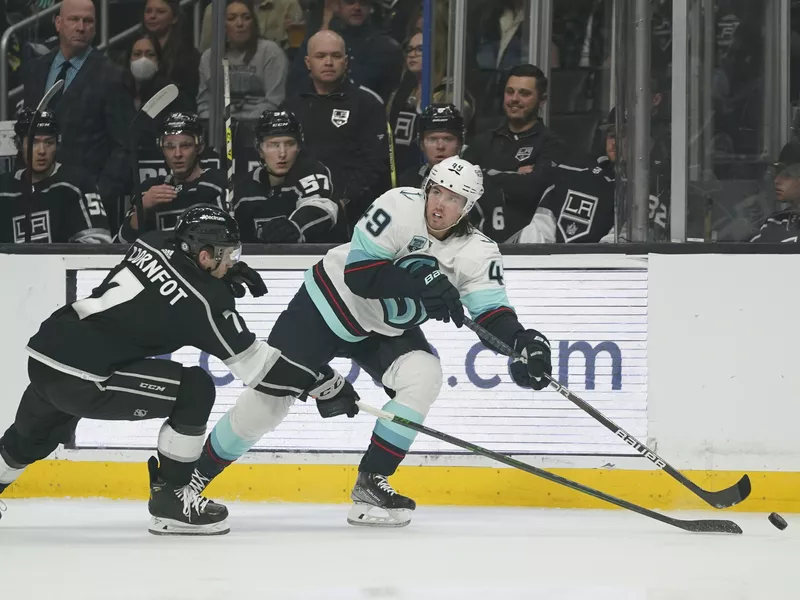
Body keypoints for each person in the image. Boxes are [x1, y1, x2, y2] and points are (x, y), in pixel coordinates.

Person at [190, 156, 553, 528]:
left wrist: (523, 344)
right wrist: (423, 282)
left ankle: (371, 483)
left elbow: (491, 314)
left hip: (382, 330)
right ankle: (190, 480)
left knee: (423, 375)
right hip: (327, 304)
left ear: (469, 207)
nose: (440, 204)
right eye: (437, 191)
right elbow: (359, 275)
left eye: (454, 199)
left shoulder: (478, 251)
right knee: (269, 403)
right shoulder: (397, 205)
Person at [0, 204, 279, 535]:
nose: (232, 259)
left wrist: (218, 271)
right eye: (228, 253)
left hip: (47, 352)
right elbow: (257, 367)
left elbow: (175, 275)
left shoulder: (152, 240)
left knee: (30, 438)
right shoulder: (204, 301)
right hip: (84, 375)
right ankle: (172, 501)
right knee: (195, 389)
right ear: (204, 255)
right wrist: (321, 382)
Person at [22, 0, 136, 210]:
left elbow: (125, 147)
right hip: (38, 197)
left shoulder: (113, 76)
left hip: (88, 199)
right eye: (74, 19)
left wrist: (99, 197)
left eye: (88, 21)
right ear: (58, 23)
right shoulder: (35, 70)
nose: (81, 27)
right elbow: (27, 133)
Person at [281, 29, 389, 226]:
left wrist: (343, 202)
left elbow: (374, 164)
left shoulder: (367, 103)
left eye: (336, 56)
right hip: (298, 208)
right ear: (308, 63)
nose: (328, 62)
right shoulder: (291, 106)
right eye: (321, 56)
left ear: (346, 62)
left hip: (352, 212)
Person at [463, 63, 565, 238]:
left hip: (525, 245)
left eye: (524, 93)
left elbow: (532, 190)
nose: (514, 99)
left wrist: (484, 174)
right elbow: (461, 182)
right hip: (476, 240)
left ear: (542, 100)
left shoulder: (551, 144)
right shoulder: (483, 140)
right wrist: (512, 172)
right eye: (510, 92)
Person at [0, 108, 111, 244]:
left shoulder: (77, 183)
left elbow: (98, 245)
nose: (42, 151)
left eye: (48, 142)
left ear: (57, 144)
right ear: (19, 144)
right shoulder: (3, 189)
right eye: (34, 142)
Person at [397, 103, 507, 242]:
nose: (440, 146)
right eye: (432, 139)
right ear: (421, 144)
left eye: (448, 139)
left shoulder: (483, 187)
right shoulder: (407, 182)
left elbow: (496, 245)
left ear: (460, 143)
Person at [233, 110, 345, 243]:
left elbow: (322, 206)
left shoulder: (312, 171)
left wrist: (296, 226)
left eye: (289, 144)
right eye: (274, 145)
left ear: (299, 147)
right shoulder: (244, 188)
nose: (282, 153)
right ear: (260, 150)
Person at [116, 112, 225, 242]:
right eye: (170, 147)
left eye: (185, 146)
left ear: (199, 147)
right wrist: (142, 207)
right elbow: (121, 243)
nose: (177, 154)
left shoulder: (218, 183)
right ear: (161, 149)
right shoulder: (148, 190)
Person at [509, 112, 616, 244]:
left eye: (626, 135)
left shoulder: (643, 190)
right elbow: (539, 231)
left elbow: (620, 248)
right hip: (554, 262)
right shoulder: (573, 175)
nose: (615, 143)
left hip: (606, 262)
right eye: (612, 136)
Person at [287, 0, 403, 102]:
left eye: (363, 3)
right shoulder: (322, 38)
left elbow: (361, 88)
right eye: (350, 2)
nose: (357, 7)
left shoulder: (384, 46)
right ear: (337, 6)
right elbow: (295, 83)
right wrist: (326, 23)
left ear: (371, 8)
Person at [197, 0, 289, 121]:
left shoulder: (271, 52)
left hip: (259, 125)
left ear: (254, 23)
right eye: (231, 18)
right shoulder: (209, 57)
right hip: (219, 129)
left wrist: (241, 125)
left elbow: (274, 101)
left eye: (246, 18)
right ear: (223, 25)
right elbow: (204, 104)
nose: (240, 23)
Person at [141, 0, 201, 106]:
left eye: (160, 11)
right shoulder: (134, 49)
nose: (152, 16)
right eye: (148, 11)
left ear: (175, 18)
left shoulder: (189, 56)